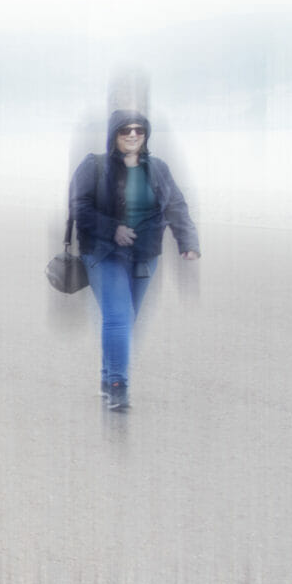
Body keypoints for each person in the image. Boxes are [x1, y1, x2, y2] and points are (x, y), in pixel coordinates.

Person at [70, 110, 200, 411]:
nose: (132, 135)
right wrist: (112, 229)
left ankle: (106, 378)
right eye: (125, 130)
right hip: (103, 253)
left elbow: (177, 206)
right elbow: (79, 207)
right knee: (118, 318)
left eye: (139, 130)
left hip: (144, 256)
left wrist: (188, 243)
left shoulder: (158, 169)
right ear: (114, 135)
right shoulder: (94, 166)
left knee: (126, 322)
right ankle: (118, 387)